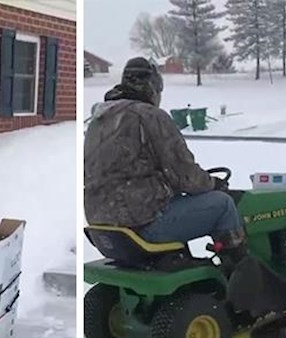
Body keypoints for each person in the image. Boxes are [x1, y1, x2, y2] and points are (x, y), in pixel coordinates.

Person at [84, 57, 247, 261]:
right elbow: (184, 175)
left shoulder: (98, 121)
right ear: (153, 87)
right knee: (223, 205)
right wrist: (213, 183)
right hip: (142, 225)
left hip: (104, 228)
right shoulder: (150, 116)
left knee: (176, 201)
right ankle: (241, 276)